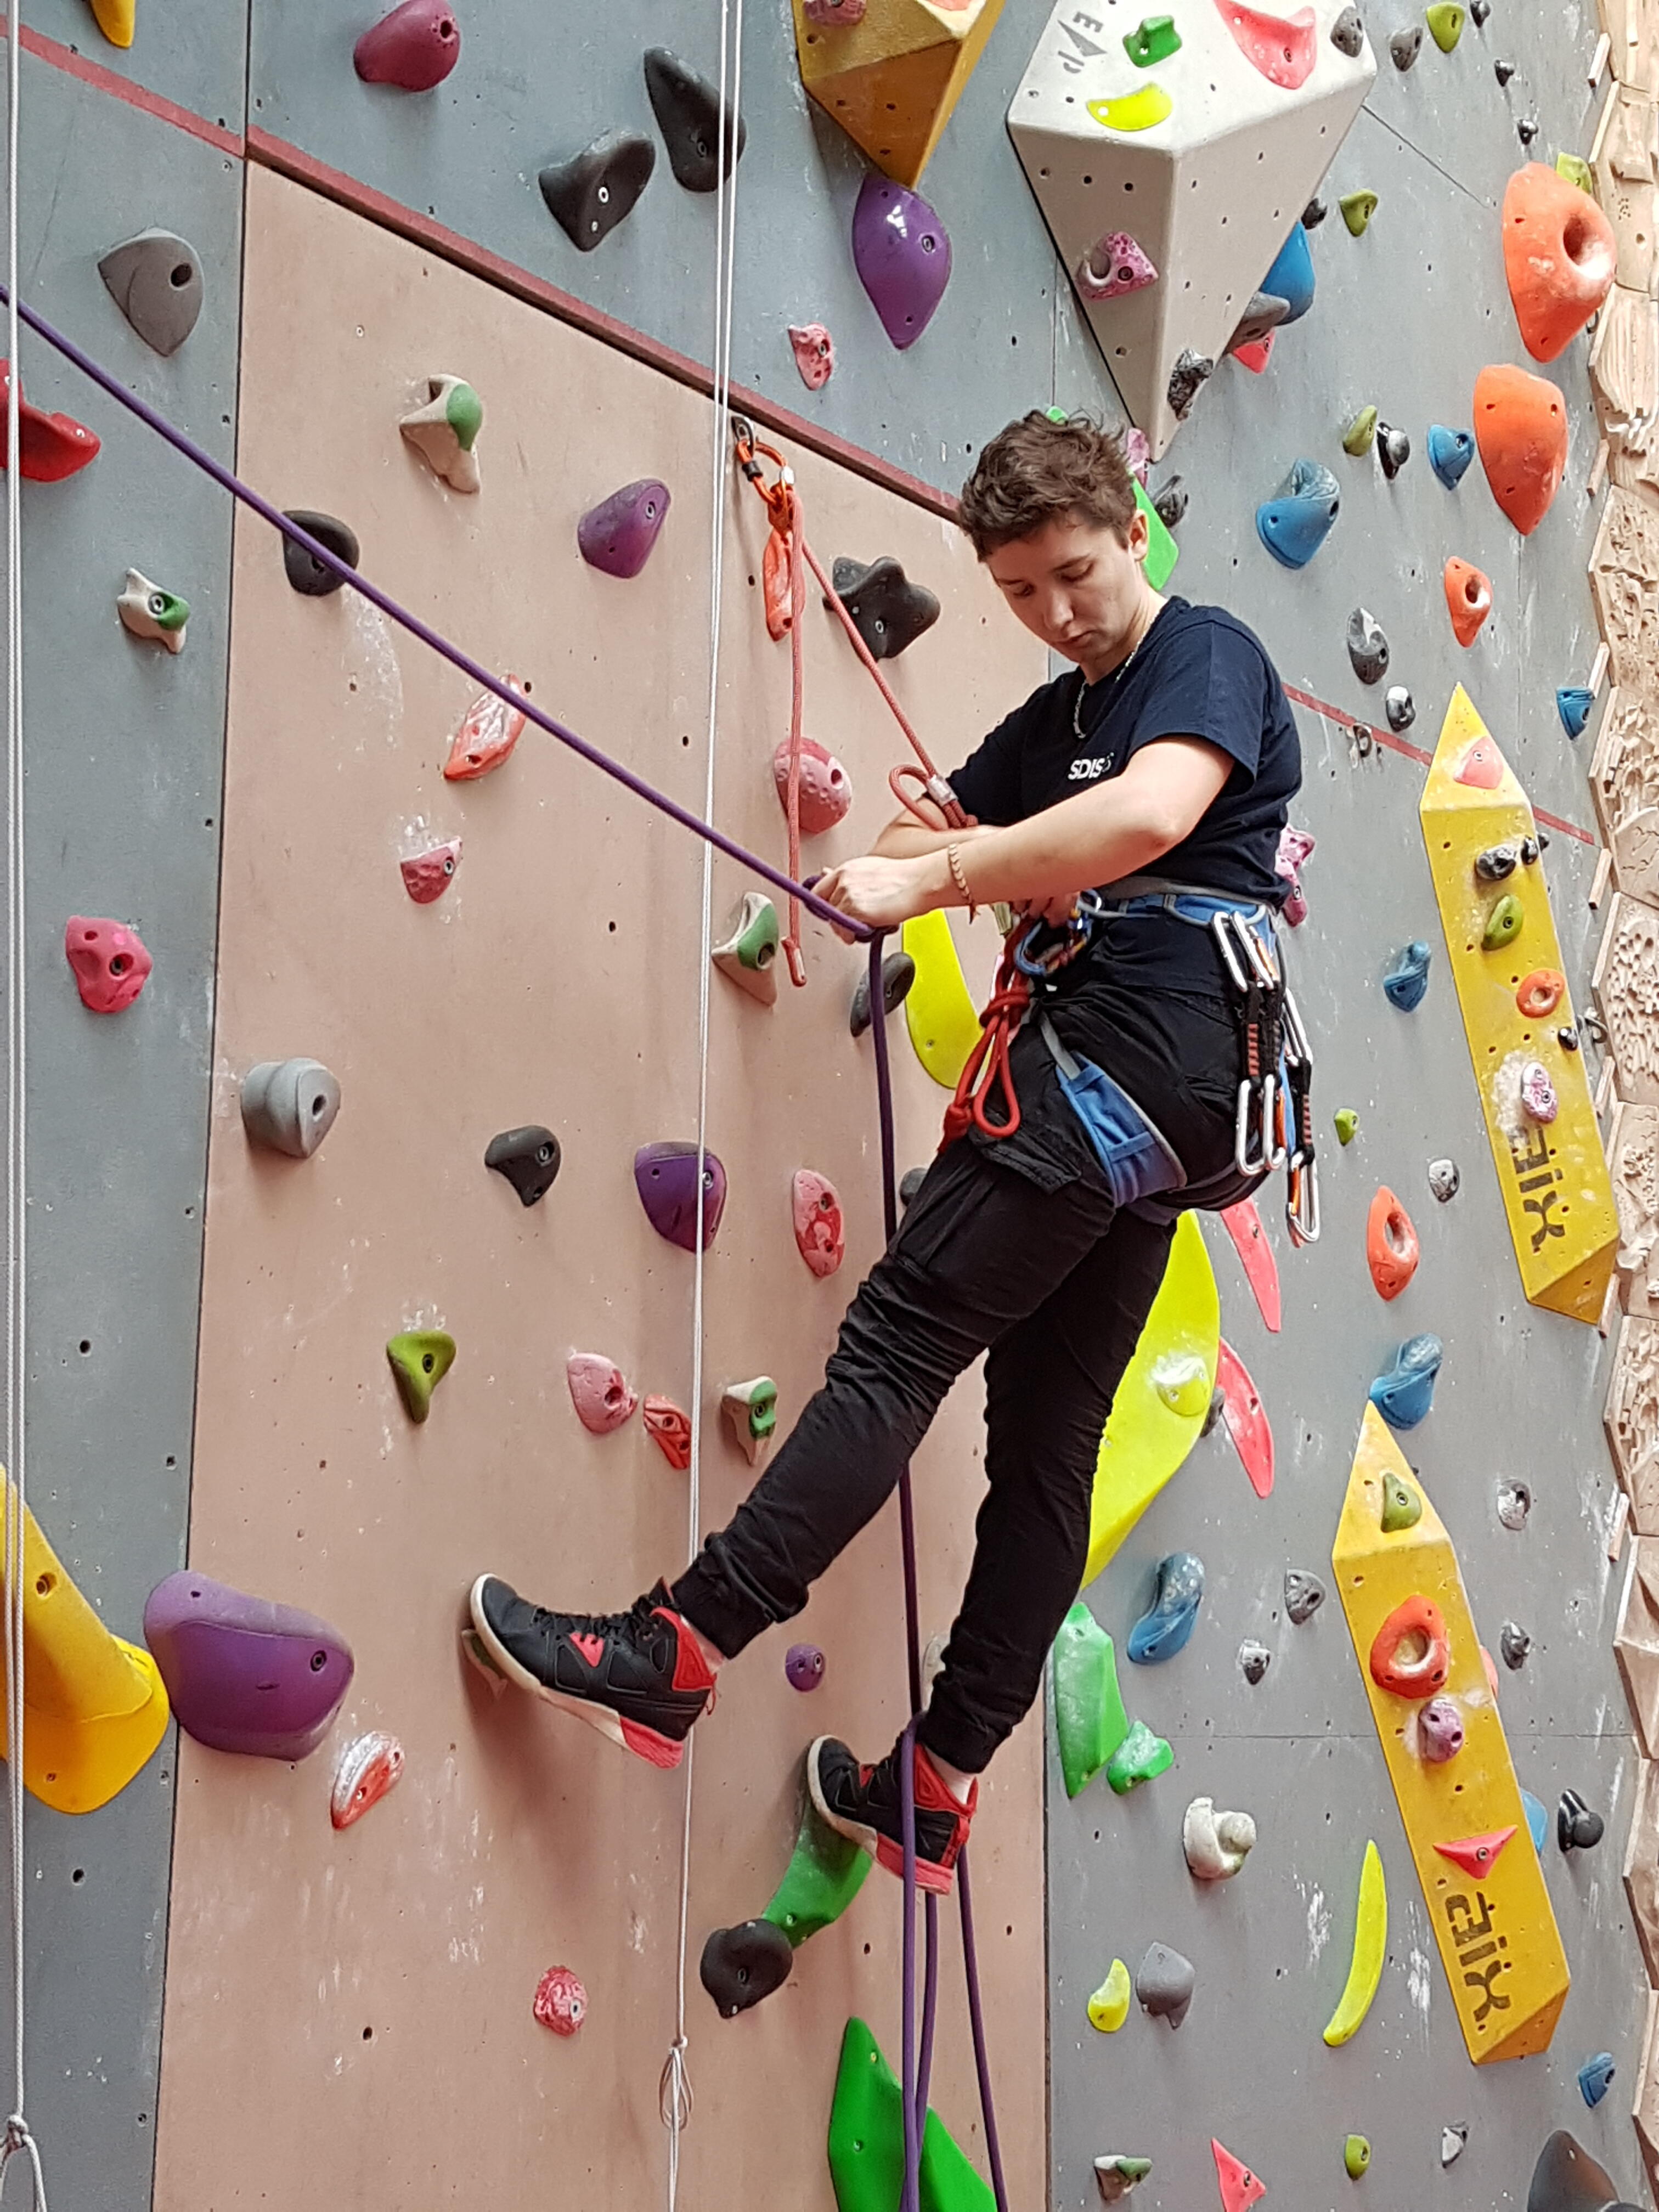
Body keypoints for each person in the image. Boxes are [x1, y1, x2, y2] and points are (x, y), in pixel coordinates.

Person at [469, 410, 1304, 1895]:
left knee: (899, 1349)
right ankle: (936, 1782)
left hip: (1133, 1060)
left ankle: (677, 1650)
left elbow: (1150, 814)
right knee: (1046, 1446)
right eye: (1021, 594)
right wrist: (964, 857)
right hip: (1173, 1122)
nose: (1057, 613)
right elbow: (928, 829)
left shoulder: (1205, 653)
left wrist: (961, 875)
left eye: (1074, 574)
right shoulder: (1060, 720)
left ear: (1130, 531)